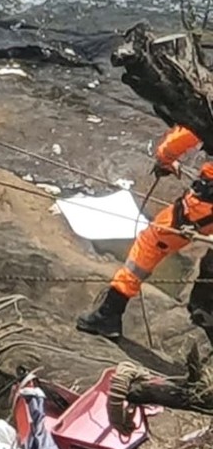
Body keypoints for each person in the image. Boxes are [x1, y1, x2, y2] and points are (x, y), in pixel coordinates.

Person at [77, 124, 213, 339]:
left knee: (151, 243)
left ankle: (109, 313)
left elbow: (187, 133)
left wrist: (165, 159)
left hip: (205, 206)